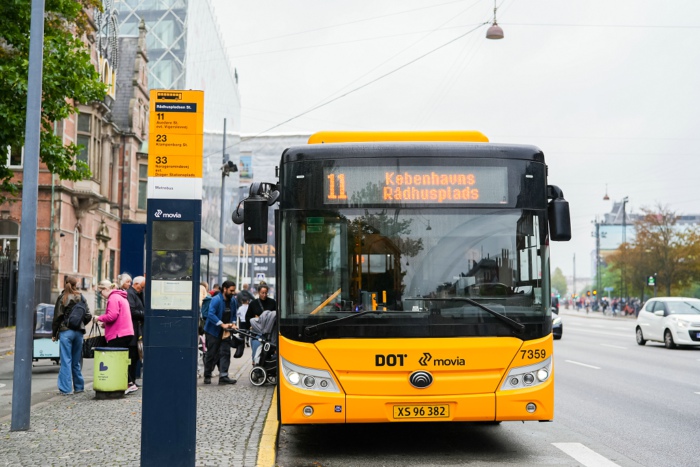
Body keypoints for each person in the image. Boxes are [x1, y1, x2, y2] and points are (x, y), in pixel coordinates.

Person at [95, 280, 137, 394]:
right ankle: (128, 383)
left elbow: (112, 316)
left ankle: (128, 383)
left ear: (106, 289)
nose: (101, 294)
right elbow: (118, 315)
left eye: (101, 291)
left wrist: (99, 318)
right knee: (121, 360)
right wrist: (106, 323)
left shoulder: (113, 298)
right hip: (126, 332)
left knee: (115, 360)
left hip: (118, 334)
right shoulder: (121, 296)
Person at [51, 275, 92, 395]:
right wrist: (80, 324)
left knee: (66, 361)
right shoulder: (82, 297)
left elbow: (57, 317)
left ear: (65, 284)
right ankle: (79, 387)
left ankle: (66, 389)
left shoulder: (62, 297)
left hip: (66, 332)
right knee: (76, 361)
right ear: (76, 285)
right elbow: (88, 315)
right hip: (78, 332)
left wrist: (54, 333)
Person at [202, 280, 238, 385]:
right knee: (212, 354)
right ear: (225, 289)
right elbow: (211, 314)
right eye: (231, 290)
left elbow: (234, 314)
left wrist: (233, 323)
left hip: (226, 331)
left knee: (225, 353)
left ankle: (223, 376)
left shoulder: (233, 301)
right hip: (213, 331)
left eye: (234, 290)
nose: (233, 292)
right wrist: (222, 324)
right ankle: (207, 375)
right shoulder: (216, 300)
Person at [246, 284, 277, 364]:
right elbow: (248, 317)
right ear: (258, 292)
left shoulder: (272, 302)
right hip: (257, 331)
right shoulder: (253, 303)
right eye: (262, 293)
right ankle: (255, 362)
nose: (264, 295)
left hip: (270, 331)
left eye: (266, 293)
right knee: (256, 346)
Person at [127, 276, 146, 385]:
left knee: (136, 356)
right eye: (142, 287)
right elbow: (132, 311)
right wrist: (144, 314)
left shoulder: (138, 294)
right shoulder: (131, 294)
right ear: (136, 284)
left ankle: (132, 380)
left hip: (137, 329)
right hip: (133, 329)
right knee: (132, 356)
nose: (142, 289)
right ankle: (130, 381)